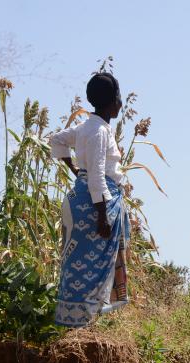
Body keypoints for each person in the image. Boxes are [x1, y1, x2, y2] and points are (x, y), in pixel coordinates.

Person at [48, 72, 132, 327]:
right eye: (119, 98)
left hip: (80, 199)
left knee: (78, 265)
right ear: (113, 101)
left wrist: (74, 170)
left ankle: (77, 323)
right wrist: (103, 216)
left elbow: (56, 139)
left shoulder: (87, 127)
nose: (120, 104)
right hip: (94, 205)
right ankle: (83, 326)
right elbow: (96, 175)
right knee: (91, 269)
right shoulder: (98, 132)